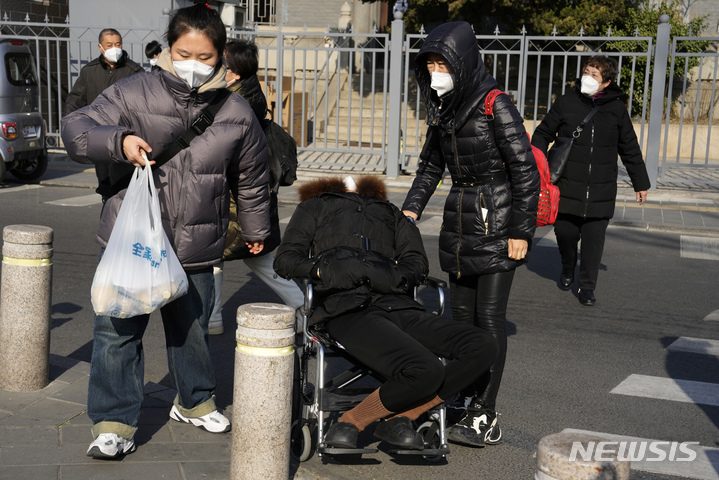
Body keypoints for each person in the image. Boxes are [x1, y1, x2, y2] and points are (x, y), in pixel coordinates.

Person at [61, 3, 270, 459]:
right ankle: (114, 420)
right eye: (182, 52)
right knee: (117, 330)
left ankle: (193, 400)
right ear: (168, 49)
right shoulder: (132, 92)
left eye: (205, 57)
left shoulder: (235, 110)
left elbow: (252, 175)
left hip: (198, 241)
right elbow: (75, 128)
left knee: (193, 327)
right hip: (133, 239)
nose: (193, 64)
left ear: (220, 57)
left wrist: (256, 228)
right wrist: (117, 141)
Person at [274, 176, 498, 450]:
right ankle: (352, 421)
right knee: (425, 368)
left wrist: (392, 276)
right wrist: (326, 270)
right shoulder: (315, 206)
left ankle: (403, 417)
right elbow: (285, 260)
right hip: (344, 309)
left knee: (483, 344)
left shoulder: (390, 213)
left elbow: (416, 263)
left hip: (398, 303)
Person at [400, 21, 540, 447]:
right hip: (460, 226)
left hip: (498, 225)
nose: (437, 71)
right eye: (431, 64)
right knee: (460, 322)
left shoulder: (494, 104)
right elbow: (430, 167)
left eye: (444, 63)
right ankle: (463, 397)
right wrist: (408, 211)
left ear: (463, 63)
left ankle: (486, 412)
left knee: (488, 318)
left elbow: (524, 170)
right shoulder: (443, 108)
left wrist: (522, 231)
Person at [531, 55, 650, 306]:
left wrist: (640, 183)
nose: (588, 76)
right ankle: (566, 267)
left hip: (601, 189)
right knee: (565, 233)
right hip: (566, 185)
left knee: (594, 241)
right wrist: (538, 163)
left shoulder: (617, 108)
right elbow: (542, 134)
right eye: (586, 71)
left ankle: (587, 287)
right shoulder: (566, 102)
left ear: (606, 82)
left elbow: (629, 147)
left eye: (594, 74)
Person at [207, 39, 303, 335]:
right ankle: (302, 307)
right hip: (243, 195)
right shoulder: (246, 92)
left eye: (218, 61)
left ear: (233, 71)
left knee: (214, 254)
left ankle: (210, 319)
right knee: (249, 257)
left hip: (236, 196)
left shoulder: (233, 103)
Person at [63, 28, 143, 189]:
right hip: (99, 136)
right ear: (100, 47)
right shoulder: (89, 72)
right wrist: (70, 126)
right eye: (109, 45)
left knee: (125, 183)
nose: (114, 48)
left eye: (118, 44)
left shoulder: (134, 71)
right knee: (104, 183)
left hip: (125, 136)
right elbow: (75, 100)